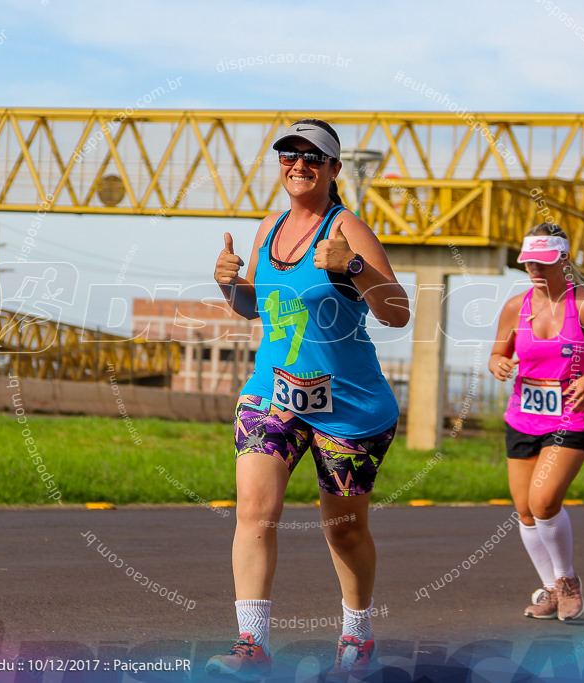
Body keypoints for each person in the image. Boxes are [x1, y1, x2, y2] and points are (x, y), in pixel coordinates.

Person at [207, 119, 410, 679]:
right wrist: (230, 285)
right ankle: (252, 643)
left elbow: (397, 312)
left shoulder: (349, 229)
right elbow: (258, 309)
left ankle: (358, 634)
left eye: (313, 157)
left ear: (334, 169)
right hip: (272, 395)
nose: (299, 164)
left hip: (349, 404)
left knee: (342, 529)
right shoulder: (269, 226)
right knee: (255, 511)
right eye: (288, 155)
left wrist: (356, 267)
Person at [488, 223, 584, 621]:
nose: (533, 269)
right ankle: (550, 590)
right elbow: (497, 352)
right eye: (528, 262)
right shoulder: (516, 306)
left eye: (542, 262)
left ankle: (567, 581)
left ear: (563, 260)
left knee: (544, 501)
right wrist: (498, 363)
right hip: (522, 417)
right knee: (525, 511)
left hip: (571, 418)